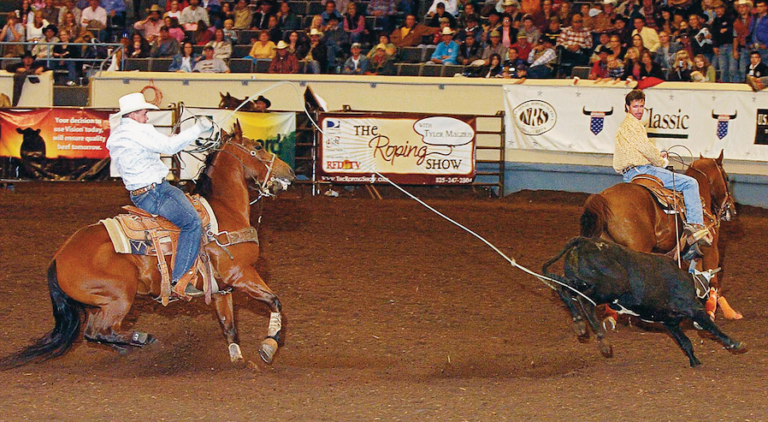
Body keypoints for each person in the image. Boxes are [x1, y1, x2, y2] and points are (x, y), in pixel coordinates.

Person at [106, 92, 213, 298]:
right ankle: (181, 279)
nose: (147, 117)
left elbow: (156, 147)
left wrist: (167, 142)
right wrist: (199, 128)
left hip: (141, 193)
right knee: (192, 222)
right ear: (134, 114)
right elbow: (169, 148)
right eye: (144, 113)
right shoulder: (138, 131)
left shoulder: (120, 134)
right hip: (156, 192)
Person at [614, 89, 712, 248]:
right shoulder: (634, 125)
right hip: (643, 170)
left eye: (641, 106)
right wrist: (661, 161)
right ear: (627, 107)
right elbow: (645, 148)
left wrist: (657, 155)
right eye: (635, 106)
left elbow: (637, 150)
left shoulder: (624, 126)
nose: (639, 110)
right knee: (691, 183)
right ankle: (696, 227)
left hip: (628, 175)